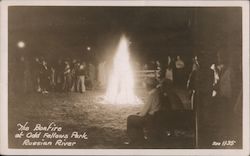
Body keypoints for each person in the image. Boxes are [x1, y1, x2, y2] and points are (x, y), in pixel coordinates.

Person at [126, 78, 161, 144]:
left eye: (145, 85)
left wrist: (138, 114)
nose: (144, 87)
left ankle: (135, 139)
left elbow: (143, 113)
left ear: (149, 86)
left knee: (130, 118)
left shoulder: (152, 95)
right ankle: (139, 137)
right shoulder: (157, 93)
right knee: (135, 117)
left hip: (151, 118)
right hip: (157, 116)